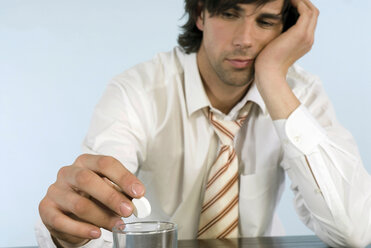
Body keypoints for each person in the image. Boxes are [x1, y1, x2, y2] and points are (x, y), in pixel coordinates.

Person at [36, 0, 371, 247]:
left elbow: (355, 231)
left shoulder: (300, 93)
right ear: (200, 14)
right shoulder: (137, 91)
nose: (245, 39)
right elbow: (95, 210)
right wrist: (72, 235)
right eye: (229, 13)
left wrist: (271, 76)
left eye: (266, 21)